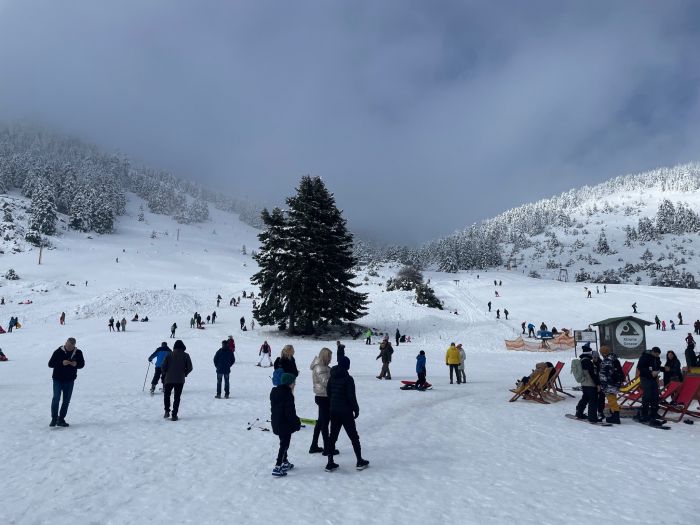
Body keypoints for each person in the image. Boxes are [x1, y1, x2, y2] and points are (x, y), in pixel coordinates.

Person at [325, 356, 369, 472]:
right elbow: (351, 396)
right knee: (353, 436)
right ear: (346, 365)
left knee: (332, 436)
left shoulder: (332, 376)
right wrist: (356, 409)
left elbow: (328, 392)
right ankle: (359, 460)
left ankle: (330, 462)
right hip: (346, 412)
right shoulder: (348, 379)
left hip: (334, 410)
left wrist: (333, 403)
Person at [48, 337, 85, 427]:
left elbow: (82, 364)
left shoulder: (78, 352)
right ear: (65, 343)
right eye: (67, 345)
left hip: (70, 380)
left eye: (70, 346)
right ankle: (54, 418)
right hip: (58, 379)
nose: (68, 347)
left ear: (74, 346)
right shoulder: (58, 351)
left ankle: (61, 419)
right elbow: (50, 364)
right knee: (56, 398)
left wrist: (76, 364)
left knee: (66, 400)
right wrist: (61, 363)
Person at [270, 372, 301, 477]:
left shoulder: (275, 392)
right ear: (289, 383)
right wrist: (297, 423)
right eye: (293, 382)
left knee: (283, 442)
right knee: (284, 444)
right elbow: (290, 413)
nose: (295, 384)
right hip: (285, 424)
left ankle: (285, 462)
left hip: (276, 422)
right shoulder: (288, 395)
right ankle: (278, 466)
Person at [161, 340, 193, 421]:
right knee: (177, 397)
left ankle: (167, 411)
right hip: (180, 379)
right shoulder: (186, 355)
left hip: (169, 379)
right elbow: (190, 367)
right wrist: (185, 373)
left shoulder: (169, 354)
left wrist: (165, 373)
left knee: (167, 395)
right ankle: (174, 415)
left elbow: (163, 367)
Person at [309, 347, 332, 454]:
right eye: (329, 356)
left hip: (324, 396)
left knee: (320, 422)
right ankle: (327, 448)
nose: (330, 359)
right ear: (324, 356)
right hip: (323, 397)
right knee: (325, 422)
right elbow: (326, 382)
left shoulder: (324, 367)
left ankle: (314, 445)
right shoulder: (319, 367)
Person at [635, 347, 663, 426]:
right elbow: (640, 367)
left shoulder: (656, 358)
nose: (657, 356)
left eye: (658, 355)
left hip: (653, 378)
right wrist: (650, 372)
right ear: (652, 352)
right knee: (647, 395)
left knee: (655, 395)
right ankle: (644, 413)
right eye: (656, 354)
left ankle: (654, 413)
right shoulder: (645, 357)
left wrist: (660, 369)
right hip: (645, 377)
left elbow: (658, 366)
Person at [574, 346, 600, 423]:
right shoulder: (588, 362)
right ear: (589, 353)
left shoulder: (581, 360)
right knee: (593, 400)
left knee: (585, 398)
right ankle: (592, 417)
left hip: (584, 383)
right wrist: (598, 384)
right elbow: (592, 374)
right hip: (590, 384)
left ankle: (579, 412)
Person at [599, 346, 623, 424]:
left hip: (610, 384)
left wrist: (606, 383)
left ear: (603, 353)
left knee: (612, 400)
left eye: (601, 353)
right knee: (613, 399)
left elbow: (607, 373)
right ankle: (613, 414)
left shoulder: (607, 361)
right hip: (614, 383)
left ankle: (616, 418)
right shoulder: (614, 359)